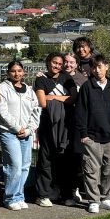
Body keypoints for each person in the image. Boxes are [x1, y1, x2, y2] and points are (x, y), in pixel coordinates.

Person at [74, 55, 110, 214]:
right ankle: (93, 200)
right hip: (92, 137)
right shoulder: (87, 87)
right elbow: (80, 111)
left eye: (100, 66)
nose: (97, 70)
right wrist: (84, 134)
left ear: (106, 67)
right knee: (91, 170)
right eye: (94, 67)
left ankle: (106, 198)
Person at [0, 61, 39, 214]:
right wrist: (17, 127)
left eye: (19, 70)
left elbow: (36, 110)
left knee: (25, 166)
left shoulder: (30, 91)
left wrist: (29, 129)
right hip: (9, 132)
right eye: (13, 71)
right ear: (8, 73)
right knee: (14, 165)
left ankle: (19, 196)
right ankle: (10, 198)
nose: (17, 74)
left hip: (25, 133)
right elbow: (2, 111)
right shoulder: (2, 88)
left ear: (24, 72)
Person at [33, 53, 75, 207]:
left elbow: (74, 98)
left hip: (66, 125)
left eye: (59, 63)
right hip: (48, 125)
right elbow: (42, 102)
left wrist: (54, 98)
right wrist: (64, 98)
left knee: (65, 160)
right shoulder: (41, 79)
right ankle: (42, 194)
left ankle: (65, 194)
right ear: (48, 62)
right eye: (54, 62)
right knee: (46, 160)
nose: (56, 66)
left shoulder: (67, 78)